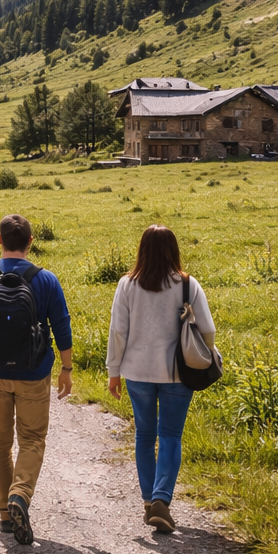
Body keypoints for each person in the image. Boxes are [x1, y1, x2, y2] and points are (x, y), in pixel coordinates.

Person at [0, 214, 73, 546]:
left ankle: (6, 516)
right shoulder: (46, 279)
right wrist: (65, 369)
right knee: (33, 439)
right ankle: (20, 495)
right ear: (31, 241)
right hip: (34, 371)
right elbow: (62, 327)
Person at [106, 224, 216, 534]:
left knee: (144, 435)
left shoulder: (127, 284)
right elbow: (207, 330)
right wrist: (206, 353)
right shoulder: (187, 285)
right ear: (174, 250)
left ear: (142, 250)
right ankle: (161, 500)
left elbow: (118, 331)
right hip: (177, 374)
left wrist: (113, 371)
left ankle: (147, 500)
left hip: (137, 373)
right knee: (170, 435)